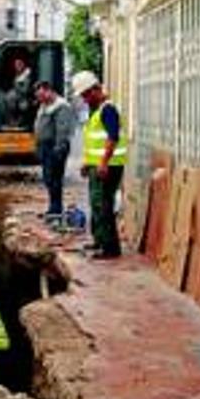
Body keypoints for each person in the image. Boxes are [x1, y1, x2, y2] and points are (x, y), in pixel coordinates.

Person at [72, 71, 127, 259]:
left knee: (103, 206)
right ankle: (99, 240)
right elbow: (94, 140)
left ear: (96, 89)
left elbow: (113, 137)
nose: (85, 99)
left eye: (86, 95)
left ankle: (110, 248)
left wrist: (103, 163)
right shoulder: (95, 110)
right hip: (98, 166)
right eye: (82, 96)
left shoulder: (108, 109)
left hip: (109, 166)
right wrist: (88, 163)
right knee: (96, 204)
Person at [33, 80, 76, 220]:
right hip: (45, 147)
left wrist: (58, 149)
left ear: (49, 91)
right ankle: (53, 208)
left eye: (41, 95)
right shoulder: (45, 105)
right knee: (48, 179)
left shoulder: (61, 106)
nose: (40, 99)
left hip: (54, 147)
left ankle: (56, 210)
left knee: (54, 179)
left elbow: (62, 130)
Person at [2, 58, 33, 128]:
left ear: (23, 64)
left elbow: (25, 90)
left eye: (19, 64)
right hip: (17, 99)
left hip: (24, 100)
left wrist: (16, 88)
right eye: (15, 65)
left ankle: (17, 123)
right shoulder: (18, 75)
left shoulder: (27, 75)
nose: (17, 67)